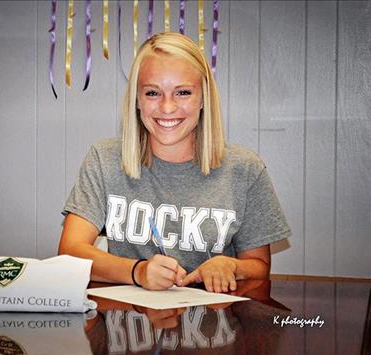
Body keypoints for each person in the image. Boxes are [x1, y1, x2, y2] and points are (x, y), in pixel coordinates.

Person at [58, 32, 290, 293]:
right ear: (137, 99)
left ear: (203, 98)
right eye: (153, 93)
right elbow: (70, 253)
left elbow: (258, 265)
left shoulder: (245, 169)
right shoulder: (104, 159)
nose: (167, 108)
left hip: (215, 324)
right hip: (126, 322)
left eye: (182, 92)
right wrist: (138, 271)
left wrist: (231, 266)